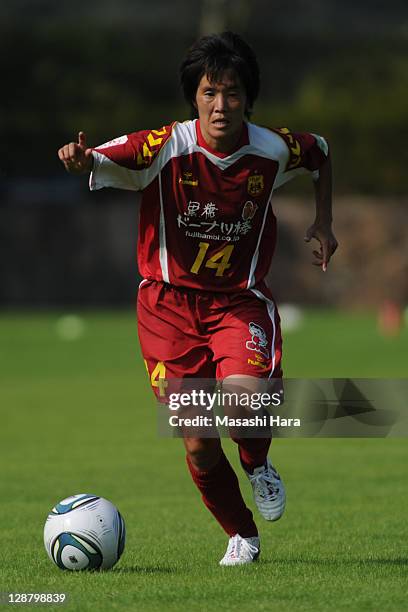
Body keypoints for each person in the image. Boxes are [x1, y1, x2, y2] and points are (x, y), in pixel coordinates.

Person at [58, 31, 338, 566]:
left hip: (238, 303)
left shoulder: (271, 149)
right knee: (197, 441)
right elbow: (98, 156)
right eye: (210, 92)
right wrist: (80, 158)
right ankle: (242, 535)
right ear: (195, 96)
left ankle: (257, 464)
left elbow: (321, 153)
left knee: (245, 405)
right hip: (167, 310)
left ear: (247, 98)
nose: (220, 105)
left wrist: (324, 222)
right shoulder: (165, 146)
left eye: (232, 93)